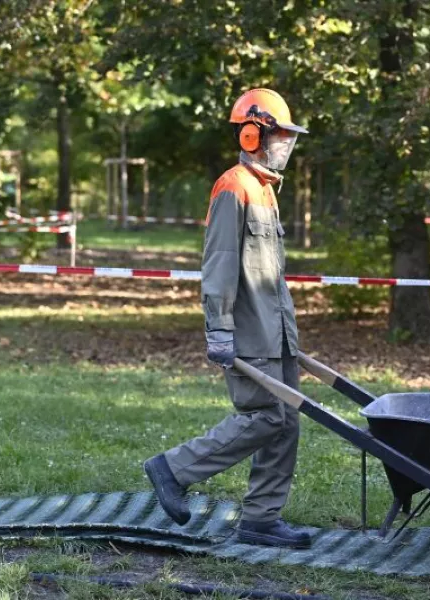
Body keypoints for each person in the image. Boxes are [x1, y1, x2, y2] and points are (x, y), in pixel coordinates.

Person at [143, 88, 310, 549]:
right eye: (280, 137)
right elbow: (218, 262)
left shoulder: (267, 191)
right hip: (248, 332)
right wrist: (218, 327)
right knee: (263, 418)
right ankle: (173, 469)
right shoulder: (233, 186)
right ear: (253, 133)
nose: (286, 147)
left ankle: (261, 518)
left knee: (286, 422)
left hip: (276, 333)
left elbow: (270, 275)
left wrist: (289, 337)